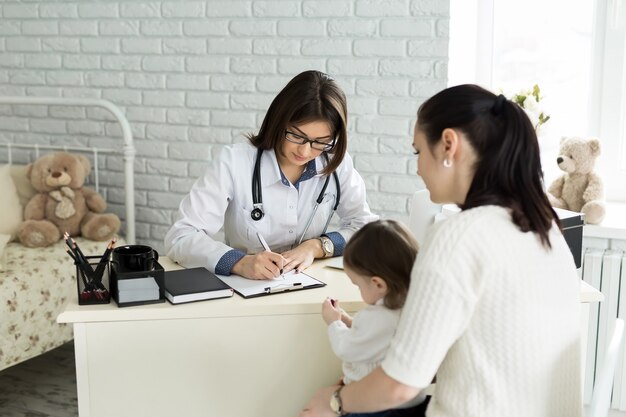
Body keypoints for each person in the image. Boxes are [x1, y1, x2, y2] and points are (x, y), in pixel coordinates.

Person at [300, 84, 582, 417]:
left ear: (449, 144)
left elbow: (400, 385)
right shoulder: (545, 227)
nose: (418, 168)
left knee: (315, 404)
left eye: (418, 152)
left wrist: (334, 403)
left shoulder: (459, 234)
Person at [164, 70, 378, 280]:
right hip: (247, 287)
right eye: (297, 136)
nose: (305, 152)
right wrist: (239, 262)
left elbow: (365, 229)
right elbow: (181, 236)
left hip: (310, 285)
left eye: (320, 142)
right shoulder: (234, 162)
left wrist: (316, 247)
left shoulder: (336, 165)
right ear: (279, 121)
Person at [322, 220, 427, 417]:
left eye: (358, 285)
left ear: (378, 284)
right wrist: (346, 319)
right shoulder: (413, 306)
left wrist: (333, 322)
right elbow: (378, 339)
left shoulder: (379, 316)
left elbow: (348, 348)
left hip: (376, 406)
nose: (358, 290)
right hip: (412, 402)